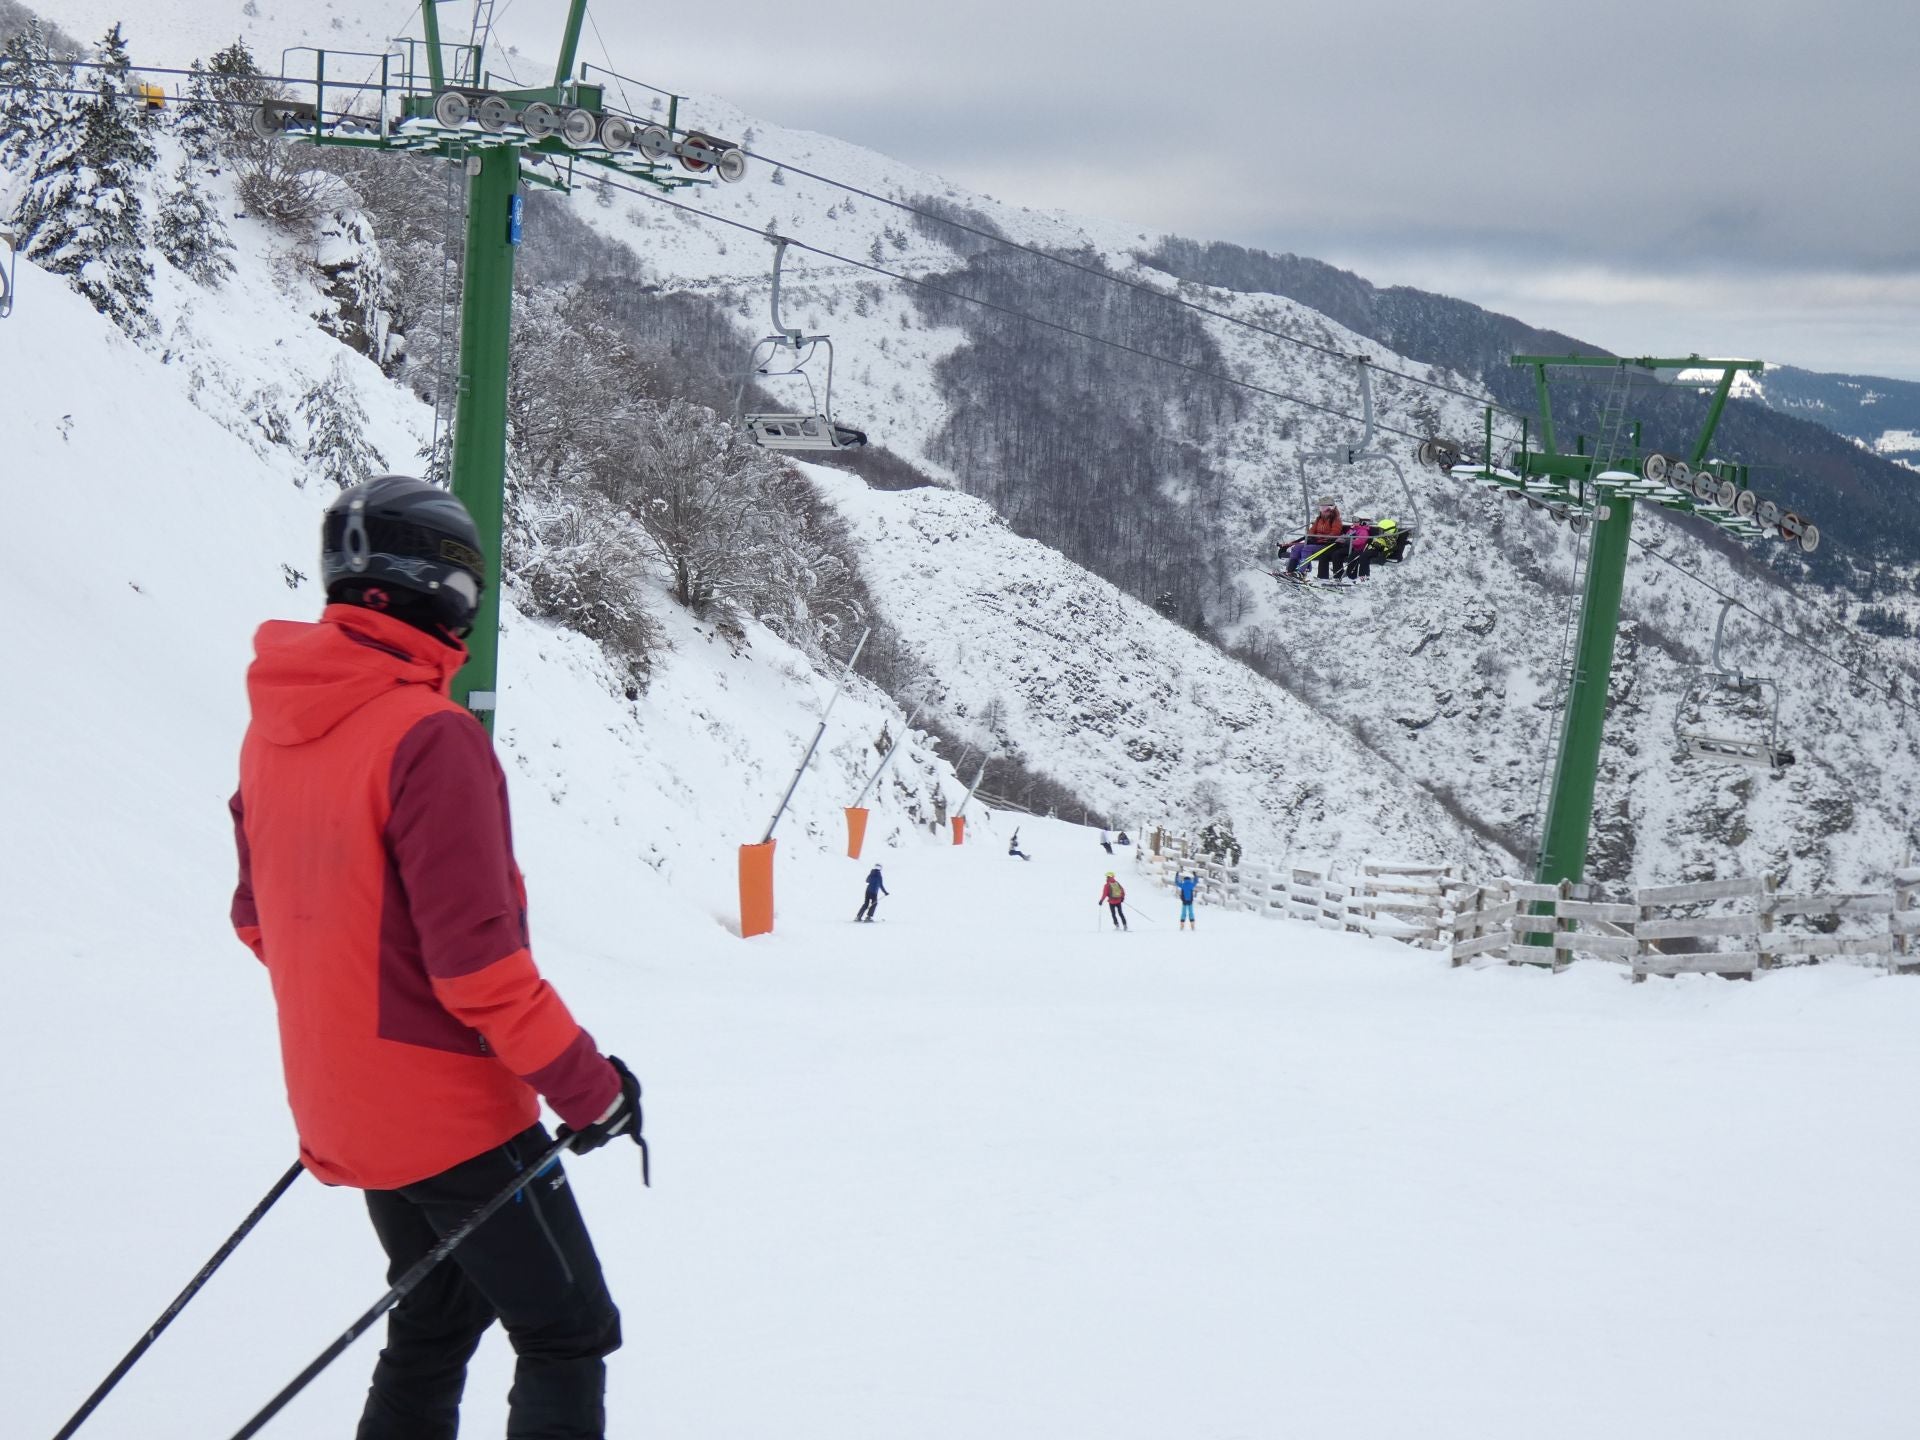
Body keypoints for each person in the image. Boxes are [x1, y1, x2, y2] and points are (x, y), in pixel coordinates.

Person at [228, 476, 641, 1440]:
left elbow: (263, 922)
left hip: (342, 1105)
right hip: (452, 1115)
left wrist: (360, 1029)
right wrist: (592, 1090)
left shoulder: (276, 730)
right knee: (569, 1330)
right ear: (441, 595)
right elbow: (478, 970)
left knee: (439, 1315)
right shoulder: (431, 738)